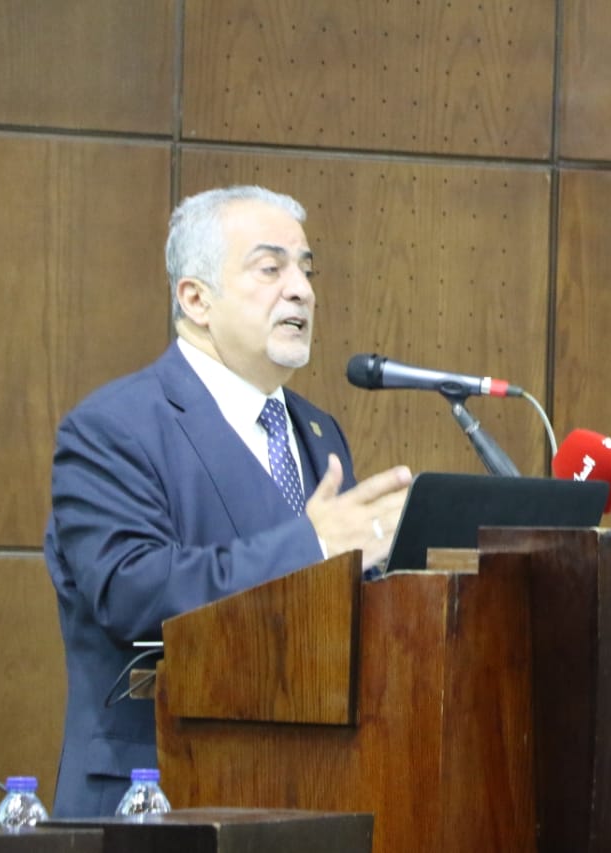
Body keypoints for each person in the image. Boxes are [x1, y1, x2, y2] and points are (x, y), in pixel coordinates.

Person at [43, 185, 411, 817]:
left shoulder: (318, 431)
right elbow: (133, 592)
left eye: (306, 270)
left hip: (307, 791)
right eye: (271, 269)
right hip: (155, 794)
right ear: (195, 298)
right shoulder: (113, 427)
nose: (301, 291)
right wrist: (316, 543)